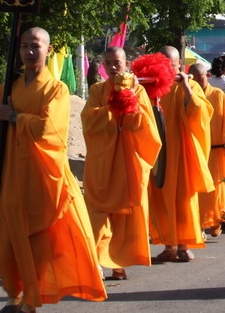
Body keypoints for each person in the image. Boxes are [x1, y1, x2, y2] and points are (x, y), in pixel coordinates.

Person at [0, 27, 105, 311]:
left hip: (40, 177)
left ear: (48, 51)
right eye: (24, 45)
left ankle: (29, 301)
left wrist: (16, 117)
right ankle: (14, 294)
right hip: (10, 176)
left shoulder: (56, 89)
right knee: (6, 245)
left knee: (37, 243)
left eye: (35, 46)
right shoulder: (8, 88)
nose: (29, 51)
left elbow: (51, 132)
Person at [81, 47, 161, 280]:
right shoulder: (97, 90)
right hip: (103, 163)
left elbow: (146, 129)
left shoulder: (140, 91)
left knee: (124, 216)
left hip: (128, 162)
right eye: (107, 63)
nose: (113, 67)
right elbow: (89, 122)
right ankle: (95, 262)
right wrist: (112, 107)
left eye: (117, 62)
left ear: (127, 63)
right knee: (98, 215)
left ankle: (118, 263)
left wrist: (130, 102)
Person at [147, 52, 213, 263]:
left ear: (180, 65)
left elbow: (201, 113)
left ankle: (183, 244)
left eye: (173, 65)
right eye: (164, 65)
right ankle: (169, 245)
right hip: (160, 153)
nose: (169, 69)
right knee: (161, 200)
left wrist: (185, 87)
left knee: (184, 200)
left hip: (182, 154)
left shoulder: (190, 86)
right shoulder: (153, 88)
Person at [199, 69, 225, 237]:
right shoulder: (188, 94)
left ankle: (215, 221)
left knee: (216, 190)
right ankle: (199, 226)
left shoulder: (218, 95)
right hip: (197, 151)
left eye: (200, 78)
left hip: (215, 151)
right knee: (199, 191)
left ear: (207, 76)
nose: (198, 83)